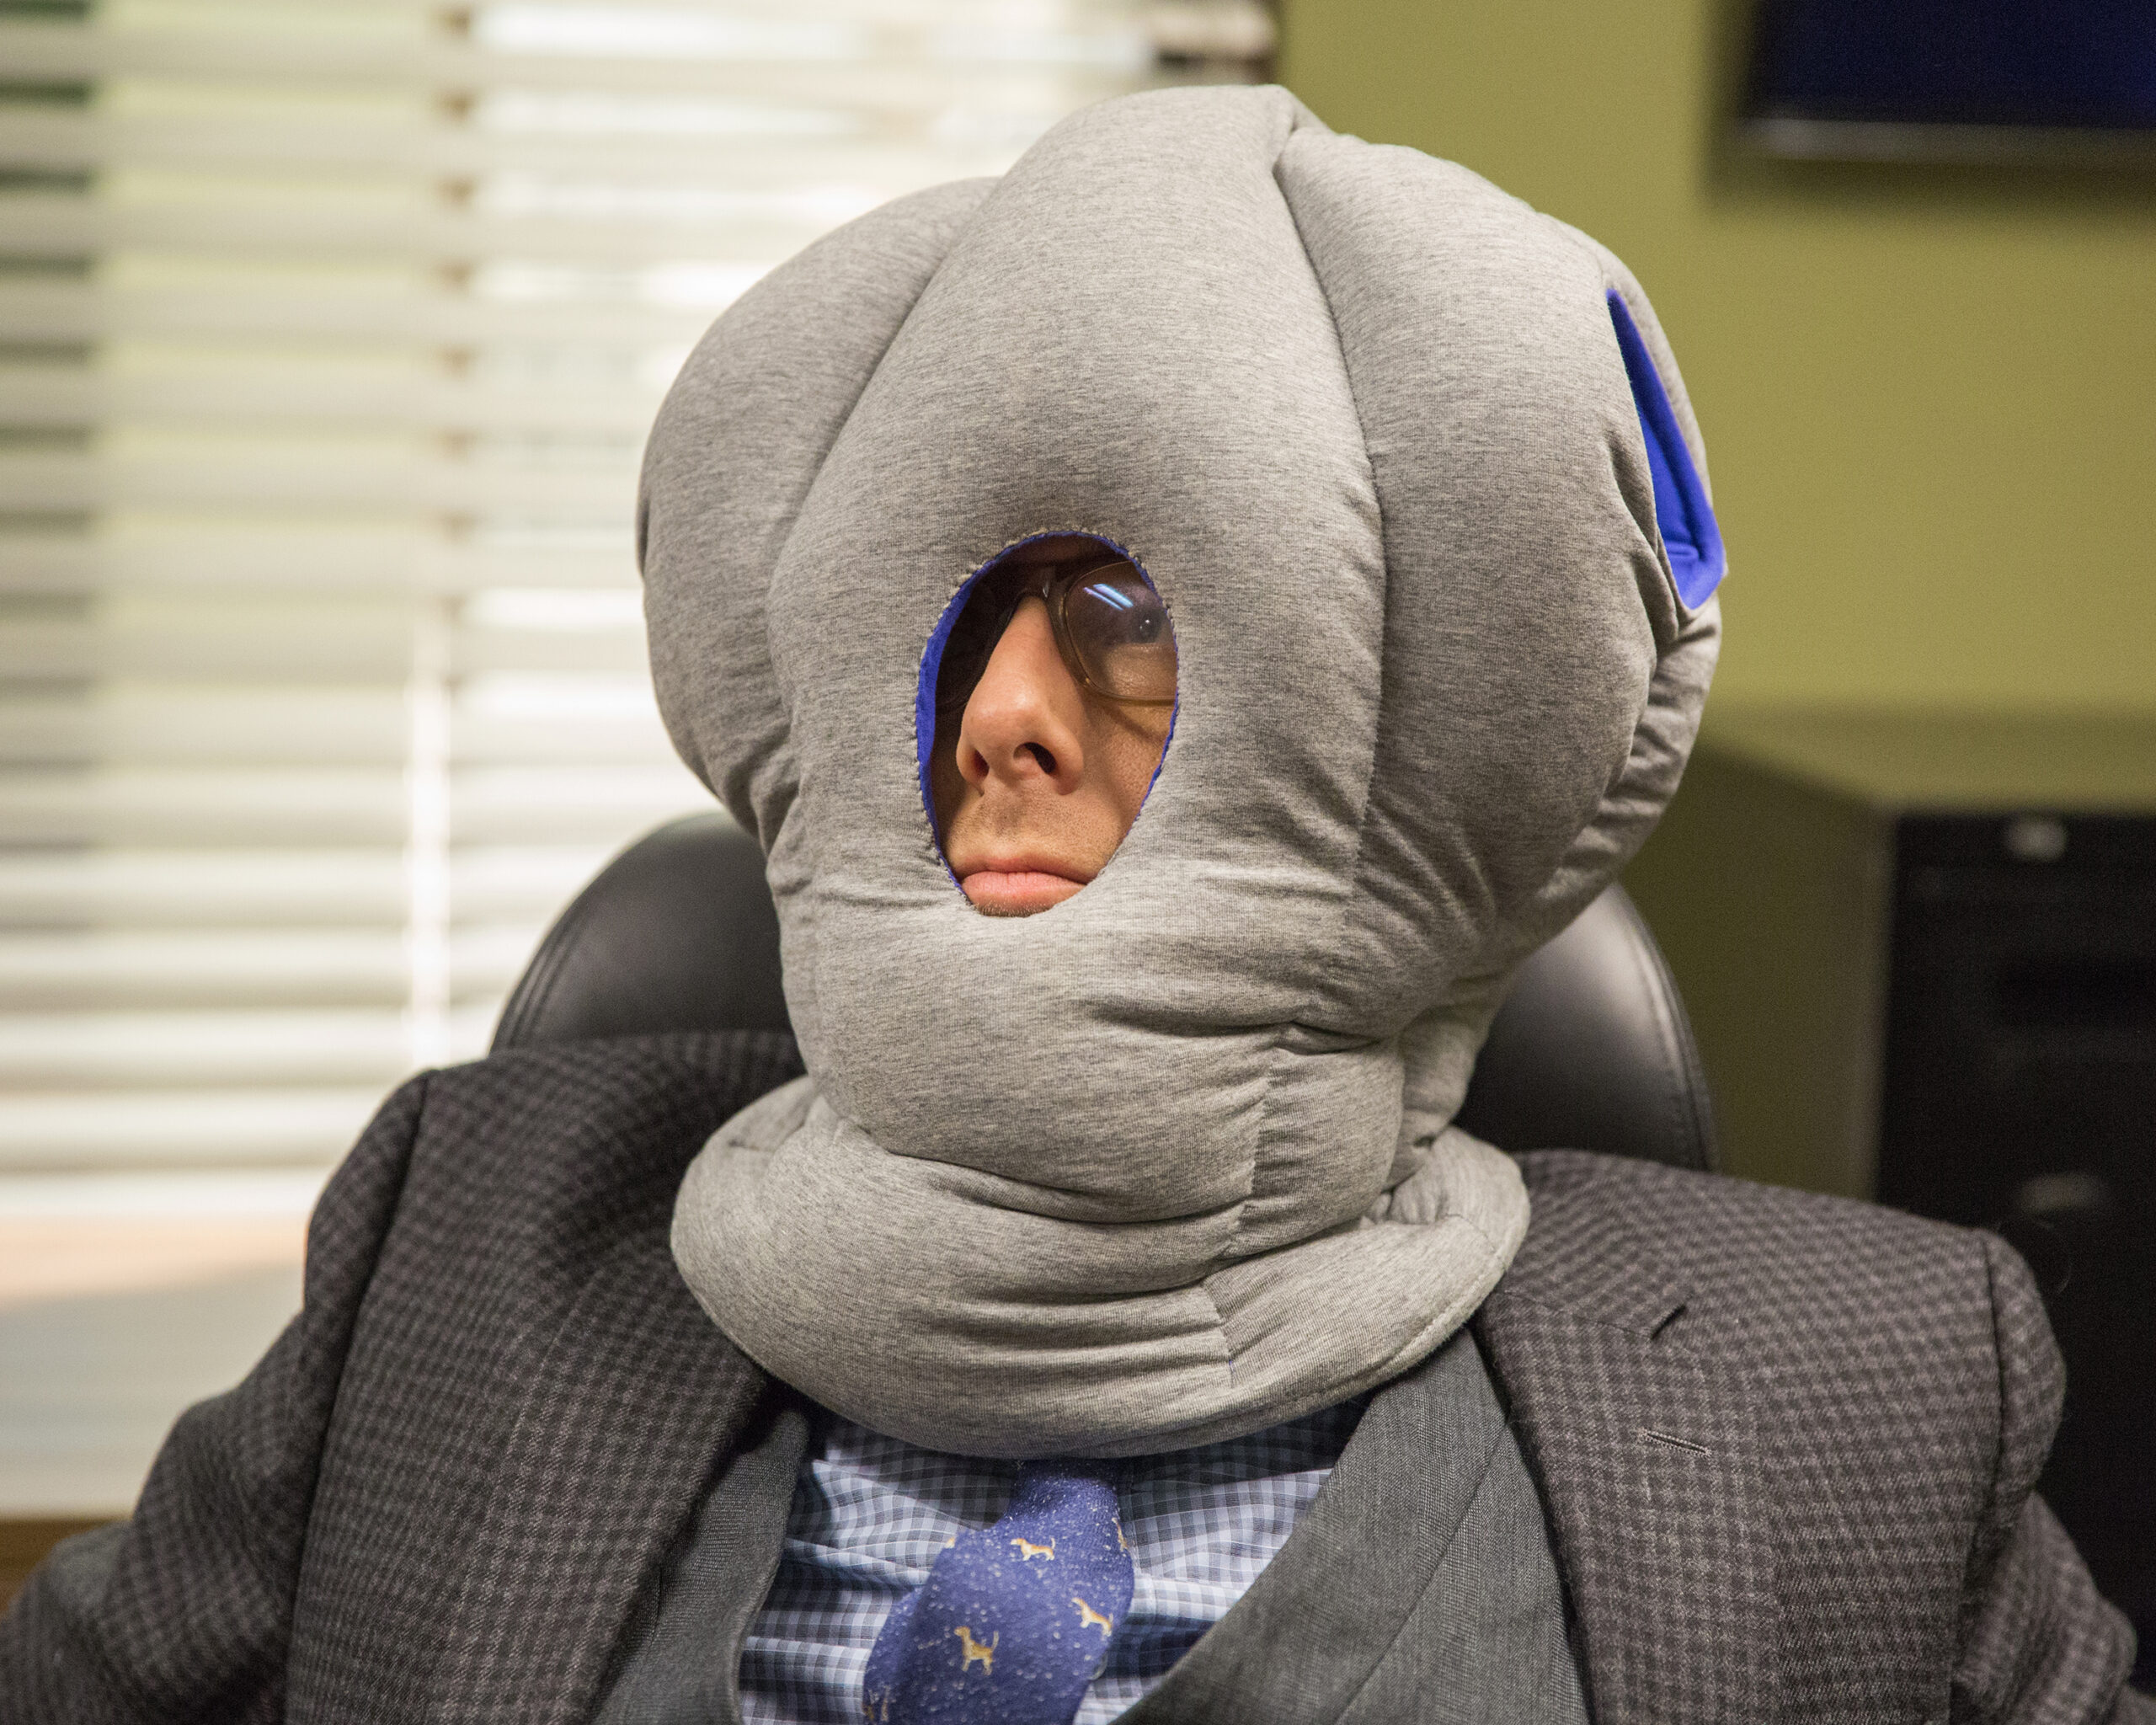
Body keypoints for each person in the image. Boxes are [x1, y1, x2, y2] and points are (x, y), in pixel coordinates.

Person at [3, 85, 2148, 1725]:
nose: (997, 720)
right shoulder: (461, 1241)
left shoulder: (1863, 1387)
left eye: (1117, 621)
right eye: (960, 624)